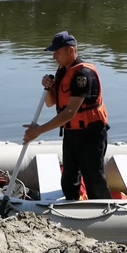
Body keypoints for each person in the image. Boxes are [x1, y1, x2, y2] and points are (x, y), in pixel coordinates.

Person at [23, 31, 112, 200]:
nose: (54, 57)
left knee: (93, 178)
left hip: (90, 133)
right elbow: (51, 103)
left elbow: (70, 112)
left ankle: (104, 210)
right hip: (72, 133)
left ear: (70, 51)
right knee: (69, 179)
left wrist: (38, 131)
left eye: (57, 52)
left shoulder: (83, 75)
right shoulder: (63, 71)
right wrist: (48, 87)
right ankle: (72, 206)